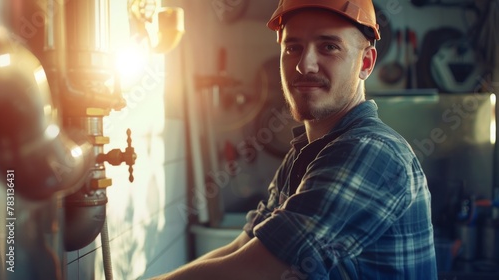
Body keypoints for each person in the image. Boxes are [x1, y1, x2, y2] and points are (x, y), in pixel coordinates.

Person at [152, 0, 437, 279]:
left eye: (329, 47)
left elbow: (257, 270)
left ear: (365, 62)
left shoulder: (370, 152)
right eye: (293, 48)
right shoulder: (304, 154)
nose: (304, 65)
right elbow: (242, 246)